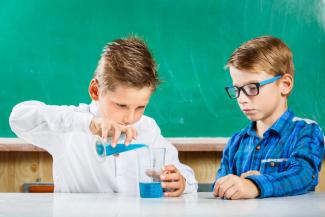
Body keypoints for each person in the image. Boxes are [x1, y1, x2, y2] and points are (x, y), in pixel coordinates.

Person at [10, 36, 197, 196]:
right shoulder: (72, 126)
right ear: (95, 90)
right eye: (121, 105)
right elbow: (18, 118)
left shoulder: (147, 128)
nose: (130, 117)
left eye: (140, 107)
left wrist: (180, 181)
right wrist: (89, 124)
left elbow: (186, 175)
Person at [213, 36, 324, 199]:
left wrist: (255, 184)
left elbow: (303, 175)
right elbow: (220, 184)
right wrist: (227, 186)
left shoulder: (306, 131)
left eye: (252, 87)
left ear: (285, 84)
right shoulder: (237, 141)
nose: (242, 99)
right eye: (237, 90)